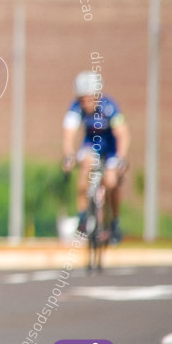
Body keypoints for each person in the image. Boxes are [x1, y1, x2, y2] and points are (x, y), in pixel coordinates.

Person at [62, 70, 129, 244]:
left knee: (112, 182)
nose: (85, 103)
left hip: (111, 149)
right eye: (82, 99)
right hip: (91, 146)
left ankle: (114, 222)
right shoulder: (76, 107)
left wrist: (121, 157)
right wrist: (68, 155)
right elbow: (69, 133)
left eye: (89, 99)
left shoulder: (109, 107)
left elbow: (122, 134)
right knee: (85, 166)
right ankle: (83, 217)